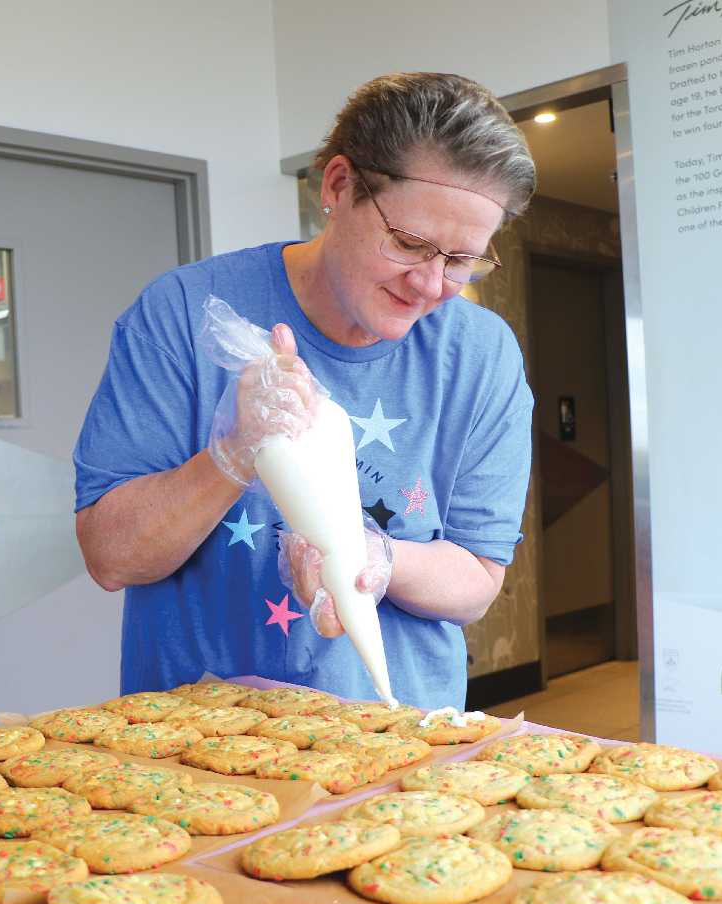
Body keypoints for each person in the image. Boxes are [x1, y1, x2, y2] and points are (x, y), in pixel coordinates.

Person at [74, 72, 535, 709]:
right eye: (410, 244)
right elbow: (112, 557)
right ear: (339, 186)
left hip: (400, 732)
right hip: (198, 730)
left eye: (460, 261)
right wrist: (234, 454)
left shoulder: (480, 355)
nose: (431, 286)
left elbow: (478, 579)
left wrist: (375, 558)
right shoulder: (182, 312)